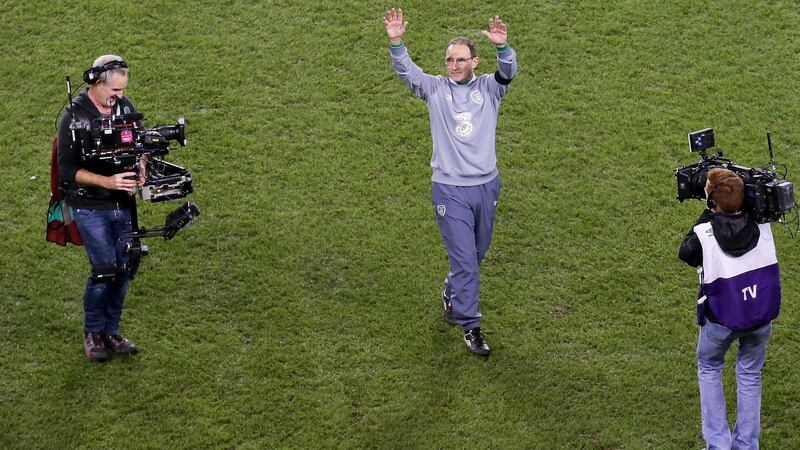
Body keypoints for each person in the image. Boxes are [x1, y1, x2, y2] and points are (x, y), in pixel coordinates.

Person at [383, 8, 517, 356]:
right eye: (448, 60)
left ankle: (451, 290)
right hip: (449, 190)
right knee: (466, 263)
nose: (453, 65)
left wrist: (504, 49)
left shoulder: (489, 88)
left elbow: (508, 73)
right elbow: (406, 72)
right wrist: (397, 42)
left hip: (486, 187)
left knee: (476, 254)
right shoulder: (435, 89)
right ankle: (471, 326)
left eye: (460, 60)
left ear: (474, 61)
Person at [679, 167, 781, 449]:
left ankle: (718, 446)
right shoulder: (762, 223)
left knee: (709, 368)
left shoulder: (704, 233)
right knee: (749, 374)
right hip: (760, 315)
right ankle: (747, 445)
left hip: (721, 320)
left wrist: (708, 210)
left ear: (712, 202)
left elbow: (685, 252)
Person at [57, 55, 145, 362]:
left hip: (123, 203)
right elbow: (68, 170)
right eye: (114, 92)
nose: (119, 98)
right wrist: (109, 182)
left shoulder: (124, 106)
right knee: (105, 268)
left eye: (122, 91)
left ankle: (112, 331)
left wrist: (140, 166)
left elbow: (139, 144)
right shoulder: (74, 117)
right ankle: (92, 333)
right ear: (96, 82)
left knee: (126, 266)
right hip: (90, 205)